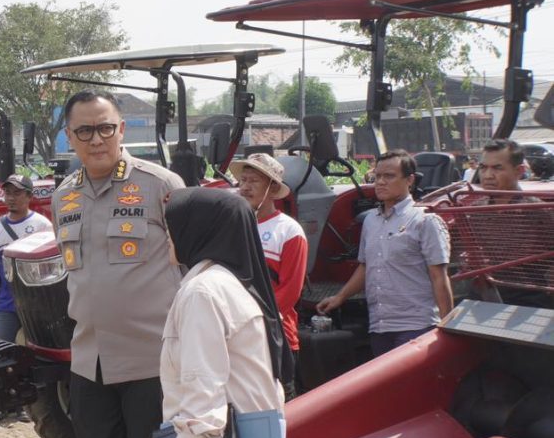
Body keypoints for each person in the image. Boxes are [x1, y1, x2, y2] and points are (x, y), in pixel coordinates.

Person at [52, 90, 185, 438]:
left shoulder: (161, 185)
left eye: (106, 128)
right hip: (89, 363)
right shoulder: (63, 197)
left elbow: (192, 268)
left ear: (122, 129)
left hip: (151, 362)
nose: (96, 139)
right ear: (69, 136)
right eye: (85, 131)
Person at [160, 189, 287, 438]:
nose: (167, 236)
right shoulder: (231, 283)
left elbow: (203, 379)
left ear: (199, 230)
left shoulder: (202, 292)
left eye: (174, 226)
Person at [317, 150, 453, 356]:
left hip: (416, 327)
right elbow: (366, 266)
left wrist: (447, 328)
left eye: (389, 176)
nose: (380, 182)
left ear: (410, 180)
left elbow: (439, 277)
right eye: (377, 176)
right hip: (379, 327)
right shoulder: (371, 220)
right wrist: (340, 297)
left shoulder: (425, 221)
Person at [231, 153, 307, 398]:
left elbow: (290, 291)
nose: (245, 187)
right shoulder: (231, 226)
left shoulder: (289, 231)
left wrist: (252, 321)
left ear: (273, 189)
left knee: (278, 404)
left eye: (254, 181)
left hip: (274, 335)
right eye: (243, 180)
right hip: (234, 335)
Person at [0, 173, 51, 424]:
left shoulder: (42, 225)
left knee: (32, 355)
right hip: (7, 302)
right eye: (8, 193)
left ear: (29, 196)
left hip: (36, 304)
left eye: (17, 193)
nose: (11, 198)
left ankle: (24, 405)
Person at [474, 139, 554, 308]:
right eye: (483, 167)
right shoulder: (474, 211)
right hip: (483, 297)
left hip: (530, 301)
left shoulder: (539, 212)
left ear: (519, 171)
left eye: (497, 168)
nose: (487, 175)